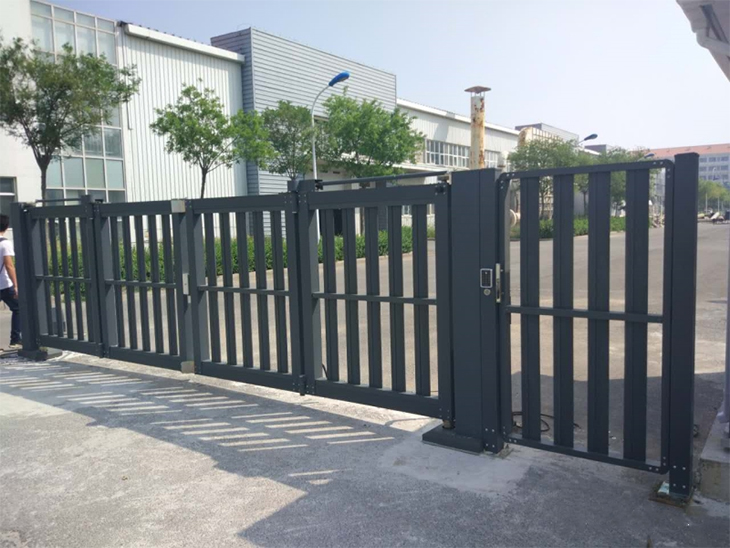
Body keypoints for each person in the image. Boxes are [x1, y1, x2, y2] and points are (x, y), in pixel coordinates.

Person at [0, 214, 21, 349]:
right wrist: (16, 285)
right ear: (7, 226)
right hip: (4, 284)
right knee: (18, 309)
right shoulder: (5, 244)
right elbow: (9, 265)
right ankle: (15, 339)